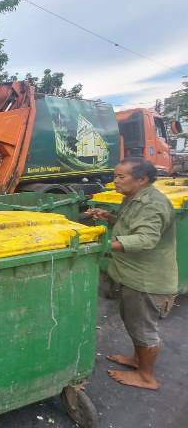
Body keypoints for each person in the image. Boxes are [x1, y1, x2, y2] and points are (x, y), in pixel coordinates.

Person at [87, 157, 177, 390]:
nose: (115, 181)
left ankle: (147, 377)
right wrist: (110, 218)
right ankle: (138, 360)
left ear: (142, 179)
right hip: (133, 275)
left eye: (121, 177)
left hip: (148, 280)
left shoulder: (152, 204)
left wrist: (102, 245)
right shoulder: (134, 197)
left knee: (144, 329)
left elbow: (146, 239)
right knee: (134, 322)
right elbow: (133, 227)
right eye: (115, 176)